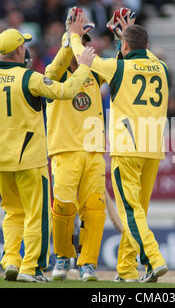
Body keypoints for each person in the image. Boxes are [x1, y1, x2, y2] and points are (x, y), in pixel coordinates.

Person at [0, 28, 96, 283]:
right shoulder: (29, 78)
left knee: (13, 213)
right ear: (17, 50)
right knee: (36, 214)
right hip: (29, 160)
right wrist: (83, 68)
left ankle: (11, 261)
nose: (25, 48)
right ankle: (31, 268)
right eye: (23, 45)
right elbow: (65, 91)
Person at [69, 10, 169, 283]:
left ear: (124, 46)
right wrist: (124, 36)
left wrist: (75, 36)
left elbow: (84, 58)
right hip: (153, 147)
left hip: (128, 148)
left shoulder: (117, 67)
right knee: (137, 211)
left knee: (130, 211)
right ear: (146, 46)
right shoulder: (161, 66)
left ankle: (153, 259)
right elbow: (140, 55)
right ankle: (126, 269)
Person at [44, 22, 107, 282]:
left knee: (94, 208)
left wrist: (119, 36)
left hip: (93, 151)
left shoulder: (94, 73)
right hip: (65, 150)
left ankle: (88, 263)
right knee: (63, 206)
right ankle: (62, 255)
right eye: (80, 42)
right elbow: (56, 67)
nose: (86, 47)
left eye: (86, 42)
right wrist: (70, 42)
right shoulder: (54, 74)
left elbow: (118, 66)